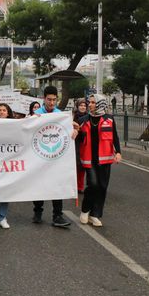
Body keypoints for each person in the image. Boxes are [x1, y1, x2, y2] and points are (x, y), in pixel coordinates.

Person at [31, 85, 74, 228]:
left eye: (54, 100)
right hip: (39, 157)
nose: (51, 103)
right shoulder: (36, 114)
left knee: (57, 186)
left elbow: (69, 130)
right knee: (39, 187)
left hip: (55, 160)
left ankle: (58, 216)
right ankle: (37, 212)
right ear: (44, 99)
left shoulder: (60, 115)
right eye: (49, 99)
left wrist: (75, 131)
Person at [77, 94, 121, 227]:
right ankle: (85, 210)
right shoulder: (83, 120)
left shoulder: (109, 119)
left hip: (104, 159)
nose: (89, 104)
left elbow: (115, 137)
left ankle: (95, 215)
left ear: (100, 104)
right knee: (93, 184)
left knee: (102, 187)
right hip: (88, 159)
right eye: (89, 102)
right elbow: (77, 138)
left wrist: (118, 152)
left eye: (92, 102)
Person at [73, 98, 88, 194]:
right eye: (81, 105)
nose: (82, 107)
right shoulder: (73, 117)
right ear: (77, 106)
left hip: (85, 144)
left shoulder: (89, 117)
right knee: (75, 165)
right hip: (75, 144)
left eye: (84, 106)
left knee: (83, 166)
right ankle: (74, 185)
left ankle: (80, 186)